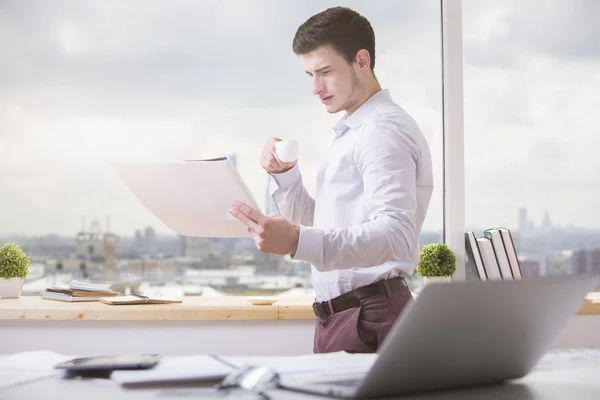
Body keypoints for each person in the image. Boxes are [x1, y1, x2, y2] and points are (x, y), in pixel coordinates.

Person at [229, 6, 433, 353]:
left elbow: (398, 235)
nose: (315, 88)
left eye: (324, 72)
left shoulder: (381, 132)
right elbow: (326, 226)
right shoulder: (355, 132)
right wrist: (286, 178)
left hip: (368, 317)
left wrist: (297, 242)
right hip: (346, 317)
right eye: (309, 74)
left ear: (362, 61)